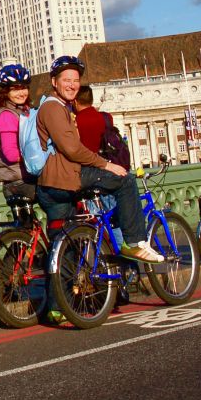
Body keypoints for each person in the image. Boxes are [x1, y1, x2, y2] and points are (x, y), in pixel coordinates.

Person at [35, 56, 163, 264]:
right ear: (54, 82)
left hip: (61, 177)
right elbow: (71, 148)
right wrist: (105, 164)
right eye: (66, 80)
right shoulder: (53, 108)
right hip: (66, 178)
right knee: (126, 181)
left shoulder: (60, 107)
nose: (72, 85)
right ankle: (134, 244)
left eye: (75, 80)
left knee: (70, 240)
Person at [0, 63, 36, 202]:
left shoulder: (24, 111)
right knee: (58, 200)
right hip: (18, 181)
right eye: (15, 89)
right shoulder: (7, 116)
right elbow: (10, 155)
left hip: (26, 177)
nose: (21, 93)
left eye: (24, 88)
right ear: (6, 92)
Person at [74, 85, 109, 154]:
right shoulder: (107, 117)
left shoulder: (75, 121)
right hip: (105, 161)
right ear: (92, 101)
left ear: (75, 102)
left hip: (84, 161)